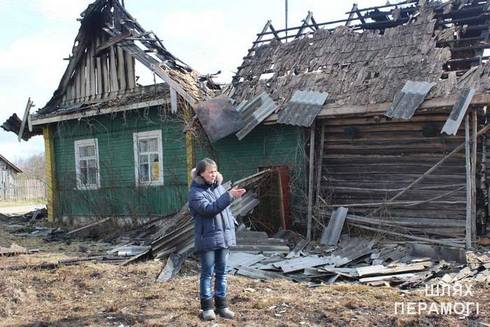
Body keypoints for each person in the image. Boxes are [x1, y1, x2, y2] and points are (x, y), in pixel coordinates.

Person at [188, 158, 246, 321]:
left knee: (222, 273)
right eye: (210, 172)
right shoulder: (195, 192)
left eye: (215, 171)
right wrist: (229, 196)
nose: (213, 175)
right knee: (207, 273)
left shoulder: (219, 187)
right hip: (207, 238)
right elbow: (208, 210)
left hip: (223, 236)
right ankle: (207, 308)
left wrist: (230, 198)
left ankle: (222, 306)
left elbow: (224, 210)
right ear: (201, 173)